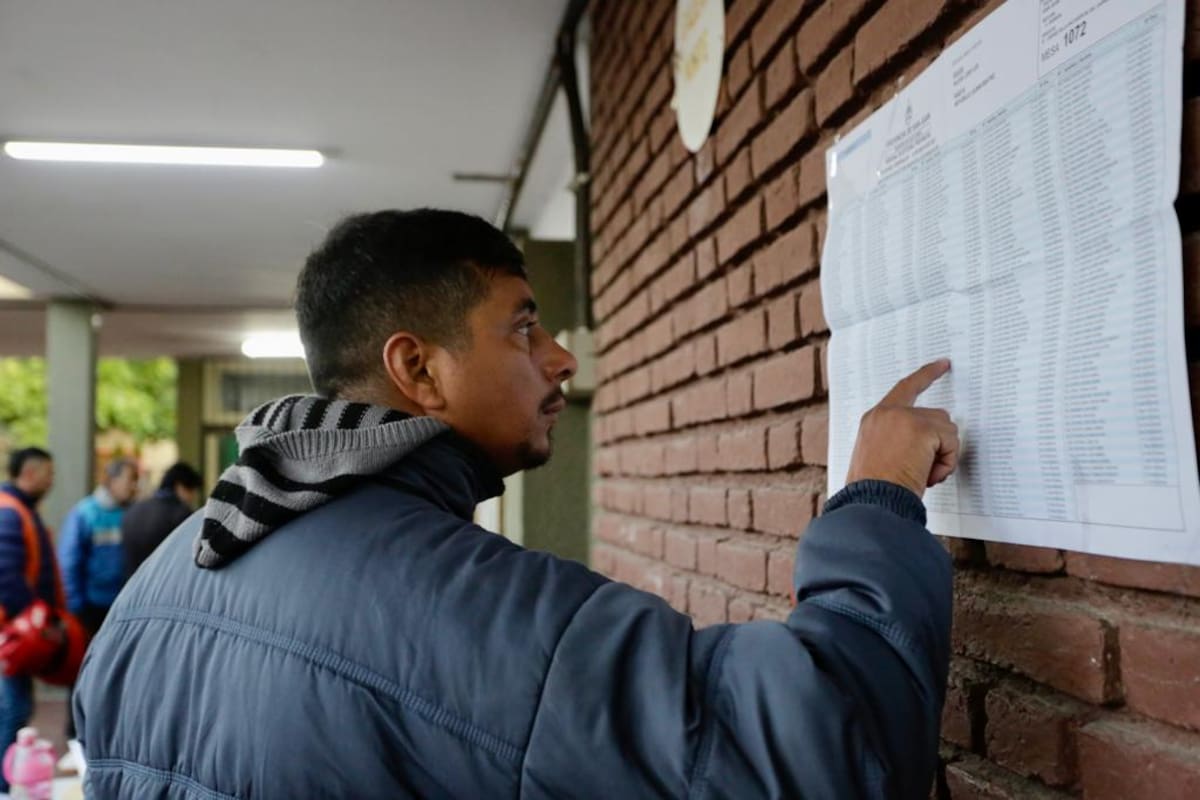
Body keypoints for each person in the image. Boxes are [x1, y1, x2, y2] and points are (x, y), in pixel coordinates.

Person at [74, 209, 958, 799]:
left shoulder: (152, 593)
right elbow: (833, 756)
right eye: (524, 325)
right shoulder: (460, 607)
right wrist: (876, 500)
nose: (562, 358)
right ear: (417, 368)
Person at [0, 448, 60, 792]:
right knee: (14, 708)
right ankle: (8, 785)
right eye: (49, 473)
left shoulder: (19, 510)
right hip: (14, 633)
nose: (52, 481)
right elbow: (6, 575)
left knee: (17, 706)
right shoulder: (10, 512)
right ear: (30, 472)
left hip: (17, 629)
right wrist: (35, 621)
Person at [121, 462, 202, 579]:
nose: (192, 497)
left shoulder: (133, 510)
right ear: (180, 487)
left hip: (132, 586)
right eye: (192, 491)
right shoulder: (183, 515)